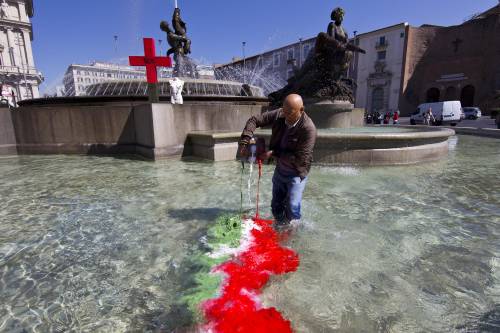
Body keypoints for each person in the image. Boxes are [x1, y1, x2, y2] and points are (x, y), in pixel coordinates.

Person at [239, 94, 317, 226]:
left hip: (297, 173)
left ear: (301, 110)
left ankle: (294, 232)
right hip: (280, 170)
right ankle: (280, 226)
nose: (285, 116)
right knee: (276, 205)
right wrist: (245, 139)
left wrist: (273, 153)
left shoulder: (308, 129)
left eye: (290, 113)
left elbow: (300, 158)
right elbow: (254, 120)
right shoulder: (280, 114)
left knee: (292, 206)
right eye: (284, 112)